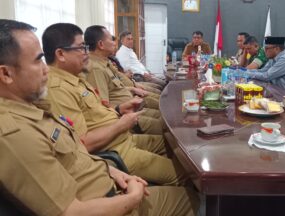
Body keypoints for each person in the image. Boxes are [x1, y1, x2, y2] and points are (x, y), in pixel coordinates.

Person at [0, 19, 198, 216]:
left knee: (179, 155)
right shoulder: (14, 132)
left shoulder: (31, 107)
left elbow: (75, 152)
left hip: (114, 174)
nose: (45, 69)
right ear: (6, 73)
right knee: (195, 194)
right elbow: (69, 211)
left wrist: (113, 172)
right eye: (37, 60)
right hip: (112, 192)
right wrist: (131, 198)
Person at [42, 23, 189, 186]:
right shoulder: (58, 89)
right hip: (116, 150)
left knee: (173, 144)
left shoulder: (75, 79)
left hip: (124, 136)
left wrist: (119, 109)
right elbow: (81, 144)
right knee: (187, 175)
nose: (86, 53)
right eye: (81, 48)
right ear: (61, 54)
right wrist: (121, 124)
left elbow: (99, 109)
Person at [84, 25, 164, 135]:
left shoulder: (105, 62)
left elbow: (116, 85)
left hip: (133, 103)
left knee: (164, 112)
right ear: (101, 44)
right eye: (111, 40)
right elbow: (103, 105)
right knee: (165, 127)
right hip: (127, 115)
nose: (114, 43)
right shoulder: (95, 69)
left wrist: (132, 87)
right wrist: (123, 110)